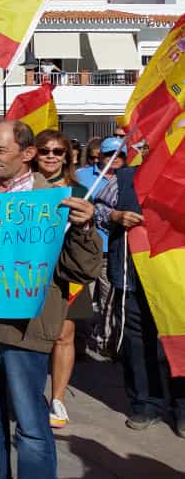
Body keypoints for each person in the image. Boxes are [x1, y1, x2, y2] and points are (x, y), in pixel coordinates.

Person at [0, 121, 102, 479]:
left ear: (27, 155)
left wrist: (85, 229)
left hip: (26, 328)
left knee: (30, 422)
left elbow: (82, 270)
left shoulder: (58, 201)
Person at [95, 164, 185, 436]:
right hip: (133, 276)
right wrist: (115, 215)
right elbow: (97, 209)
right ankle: (146, 405)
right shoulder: (124, 178)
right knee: (138, 342)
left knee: (179, 342)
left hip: (176, 280)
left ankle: (183, 409)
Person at [31, 129, 86, 429]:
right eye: (45, 151)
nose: (51, 156)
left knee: (64, 335)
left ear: (67, 157)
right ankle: (30, 394)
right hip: (30, 272)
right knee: (32, 335)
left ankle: (58, 398)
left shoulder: (79, 192)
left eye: (58, 151)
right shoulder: (24, 188)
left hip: (67, 272)